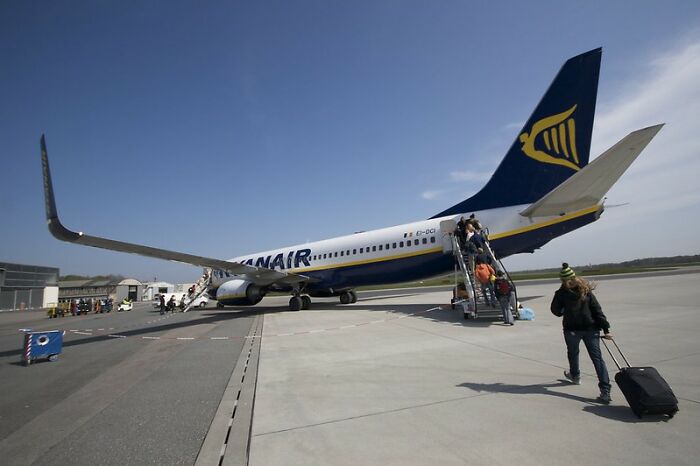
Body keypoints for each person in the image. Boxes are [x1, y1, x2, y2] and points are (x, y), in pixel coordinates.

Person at [550, 263, 613, 404]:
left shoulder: (561, 294)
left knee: (573, 353)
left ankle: (575, 375)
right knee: (597, 359)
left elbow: (555, 311)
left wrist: (564, 311)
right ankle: (605, 390)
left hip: (572, 330)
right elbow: (598, 311)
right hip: (591, 329)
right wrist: (606, 329)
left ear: (562, 280)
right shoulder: (586, 291)